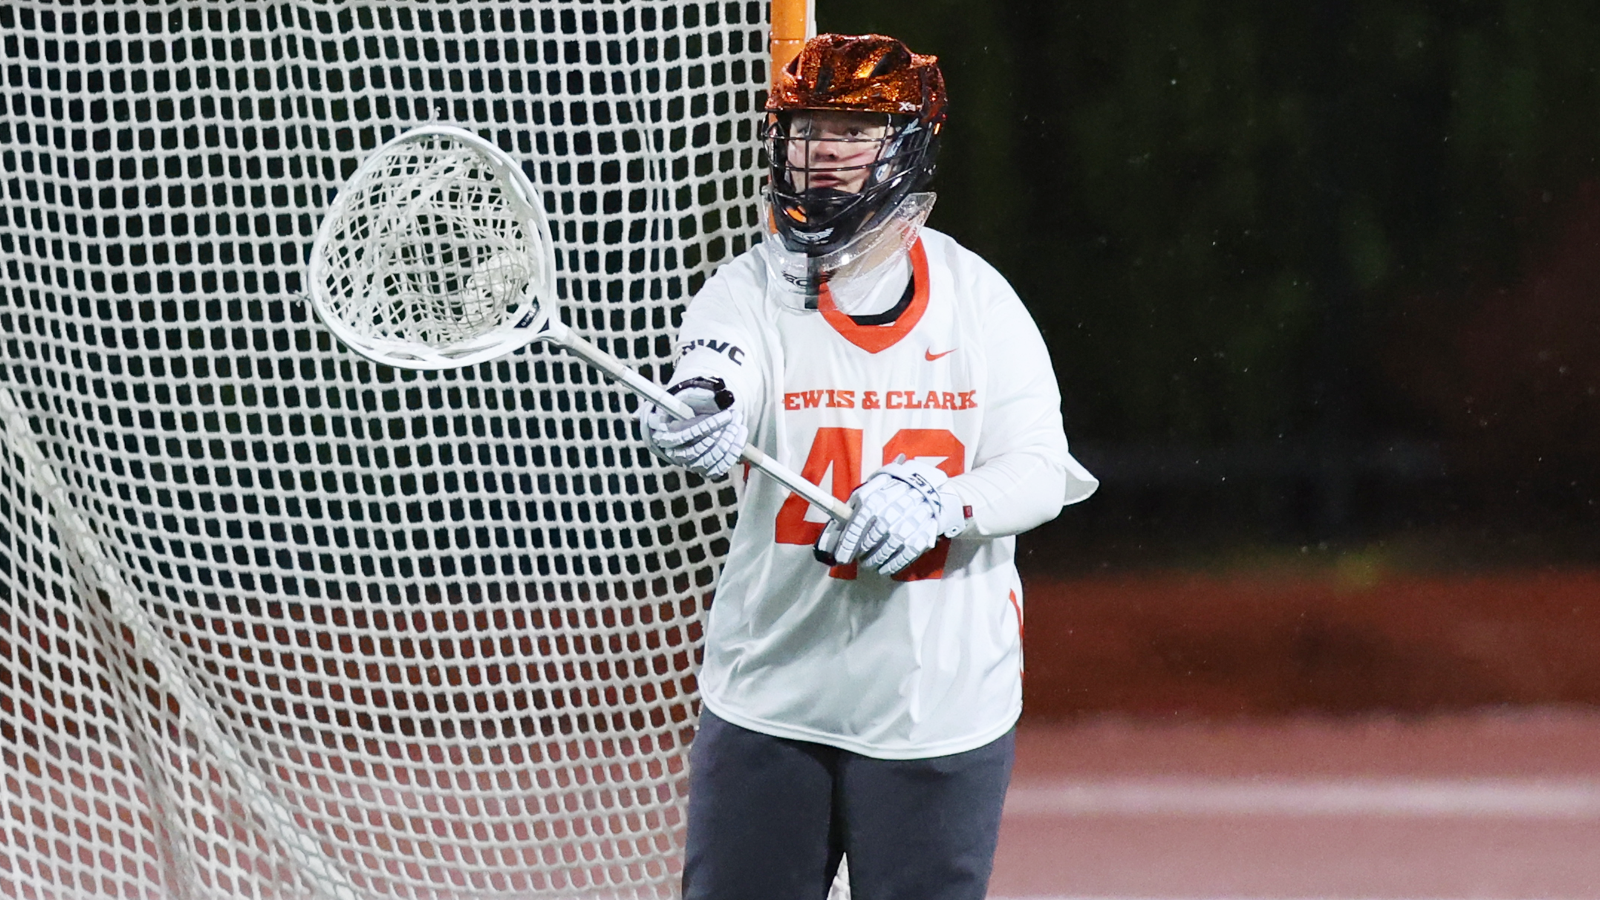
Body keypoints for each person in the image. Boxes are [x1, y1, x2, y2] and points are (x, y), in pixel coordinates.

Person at [640, 33, 1098, 900]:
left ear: (908, 147)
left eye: (849, 133)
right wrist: (702, 407)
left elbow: (1040, 469)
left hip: (938, 710)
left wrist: (942, 498)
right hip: (772, 699)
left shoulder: (979, 300)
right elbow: (716, 371)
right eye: (804, 130)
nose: (818, 155)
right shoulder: (747, 289)